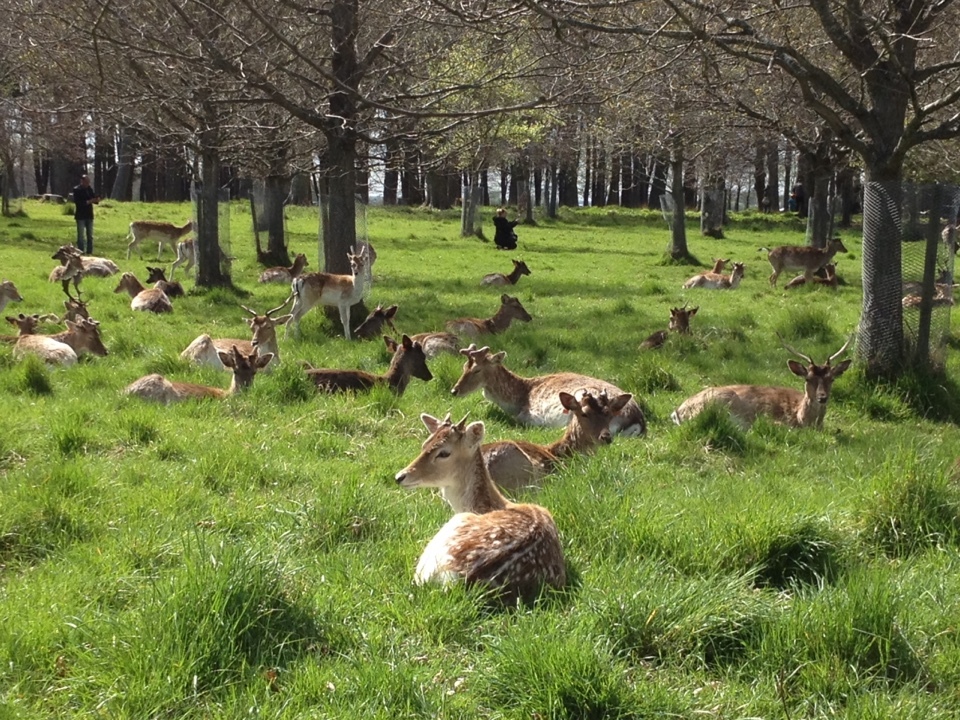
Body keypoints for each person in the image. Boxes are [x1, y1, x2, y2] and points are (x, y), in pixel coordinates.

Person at [72, 175, 100, 254]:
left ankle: (89, 251)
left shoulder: (89, 189)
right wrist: (89, 201)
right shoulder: (77, 190)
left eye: (89, 182)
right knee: (81, 236)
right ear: (82, 181)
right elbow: (79, 202)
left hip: (89, 215)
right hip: (80, 215)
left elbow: (93, 198)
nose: (88, 183)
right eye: (86, 182)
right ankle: (81, 251)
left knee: (90, 235)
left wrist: (96, 199)